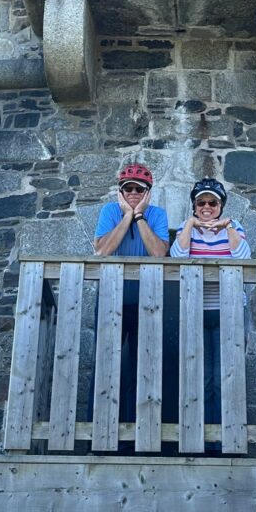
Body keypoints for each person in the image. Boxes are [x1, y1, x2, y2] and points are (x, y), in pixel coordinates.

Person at [170, 179, 251, 428]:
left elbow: (242, 257)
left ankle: (227, 438)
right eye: (201, 202)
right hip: (197, 308)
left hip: (230, 309)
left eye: (213, 202)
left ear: (221, 205)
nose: (207, 207)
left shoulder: (234, 226)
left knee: (225, 376)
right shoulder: (188, 227)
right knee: (201, 377)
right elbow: (177, 257)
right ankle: (203, 439)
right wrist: (191, 225)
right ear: (194, 206)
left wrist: (227, 229)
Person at [93, 163, 169, 423]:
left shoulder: (157, 215)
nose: (134, 193)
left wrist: (139, 217)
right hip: (111, 299)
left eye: (140, 189)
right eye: (129, 189)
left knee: (142, 367)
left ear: (148, 193)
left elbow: (159, 253)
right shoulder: (109, 211)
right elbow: (102, 250)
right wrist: (126, 216)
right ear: (120, 192)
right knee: (107, 365)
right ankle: (102, 432)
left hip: (146, 301)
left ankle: (135, 430)